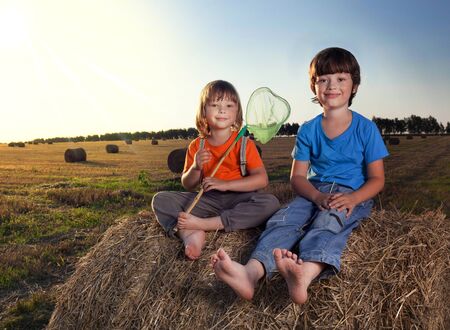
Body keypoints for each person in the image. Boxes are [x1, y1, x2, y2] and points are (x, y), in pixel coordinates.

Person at [211, 47, 389, 304]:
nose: (331, 85)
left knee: (329, 221)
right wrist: (315, 195)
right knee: (283, 219)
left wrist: (353, 200)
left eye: (341, 79)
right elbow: (297, 178)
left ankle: (304, 274)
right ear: (313, 87)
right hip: (313, 191)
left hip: (350, 193)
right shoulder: (308, 129)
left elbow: (377, 179)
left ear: (355, 85)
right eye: (323, 79)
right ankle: (250, 273)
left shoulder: (366, 129)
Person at [152, 80, 280, 260]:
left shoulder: (245, 144)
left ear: (237, 113)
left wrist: (225, 184)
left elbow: (261, 180)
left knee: (270, 203)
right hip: (208, 199)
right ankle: (190, 234)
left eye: (229, 105)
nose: (222, 110)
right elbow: (187, 184)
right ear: (204, 111)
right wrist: (196, 167)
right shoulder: (197, 145)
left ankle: (204, 224)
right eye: (215, 105)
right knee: (161, 201)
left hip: (239, 198)